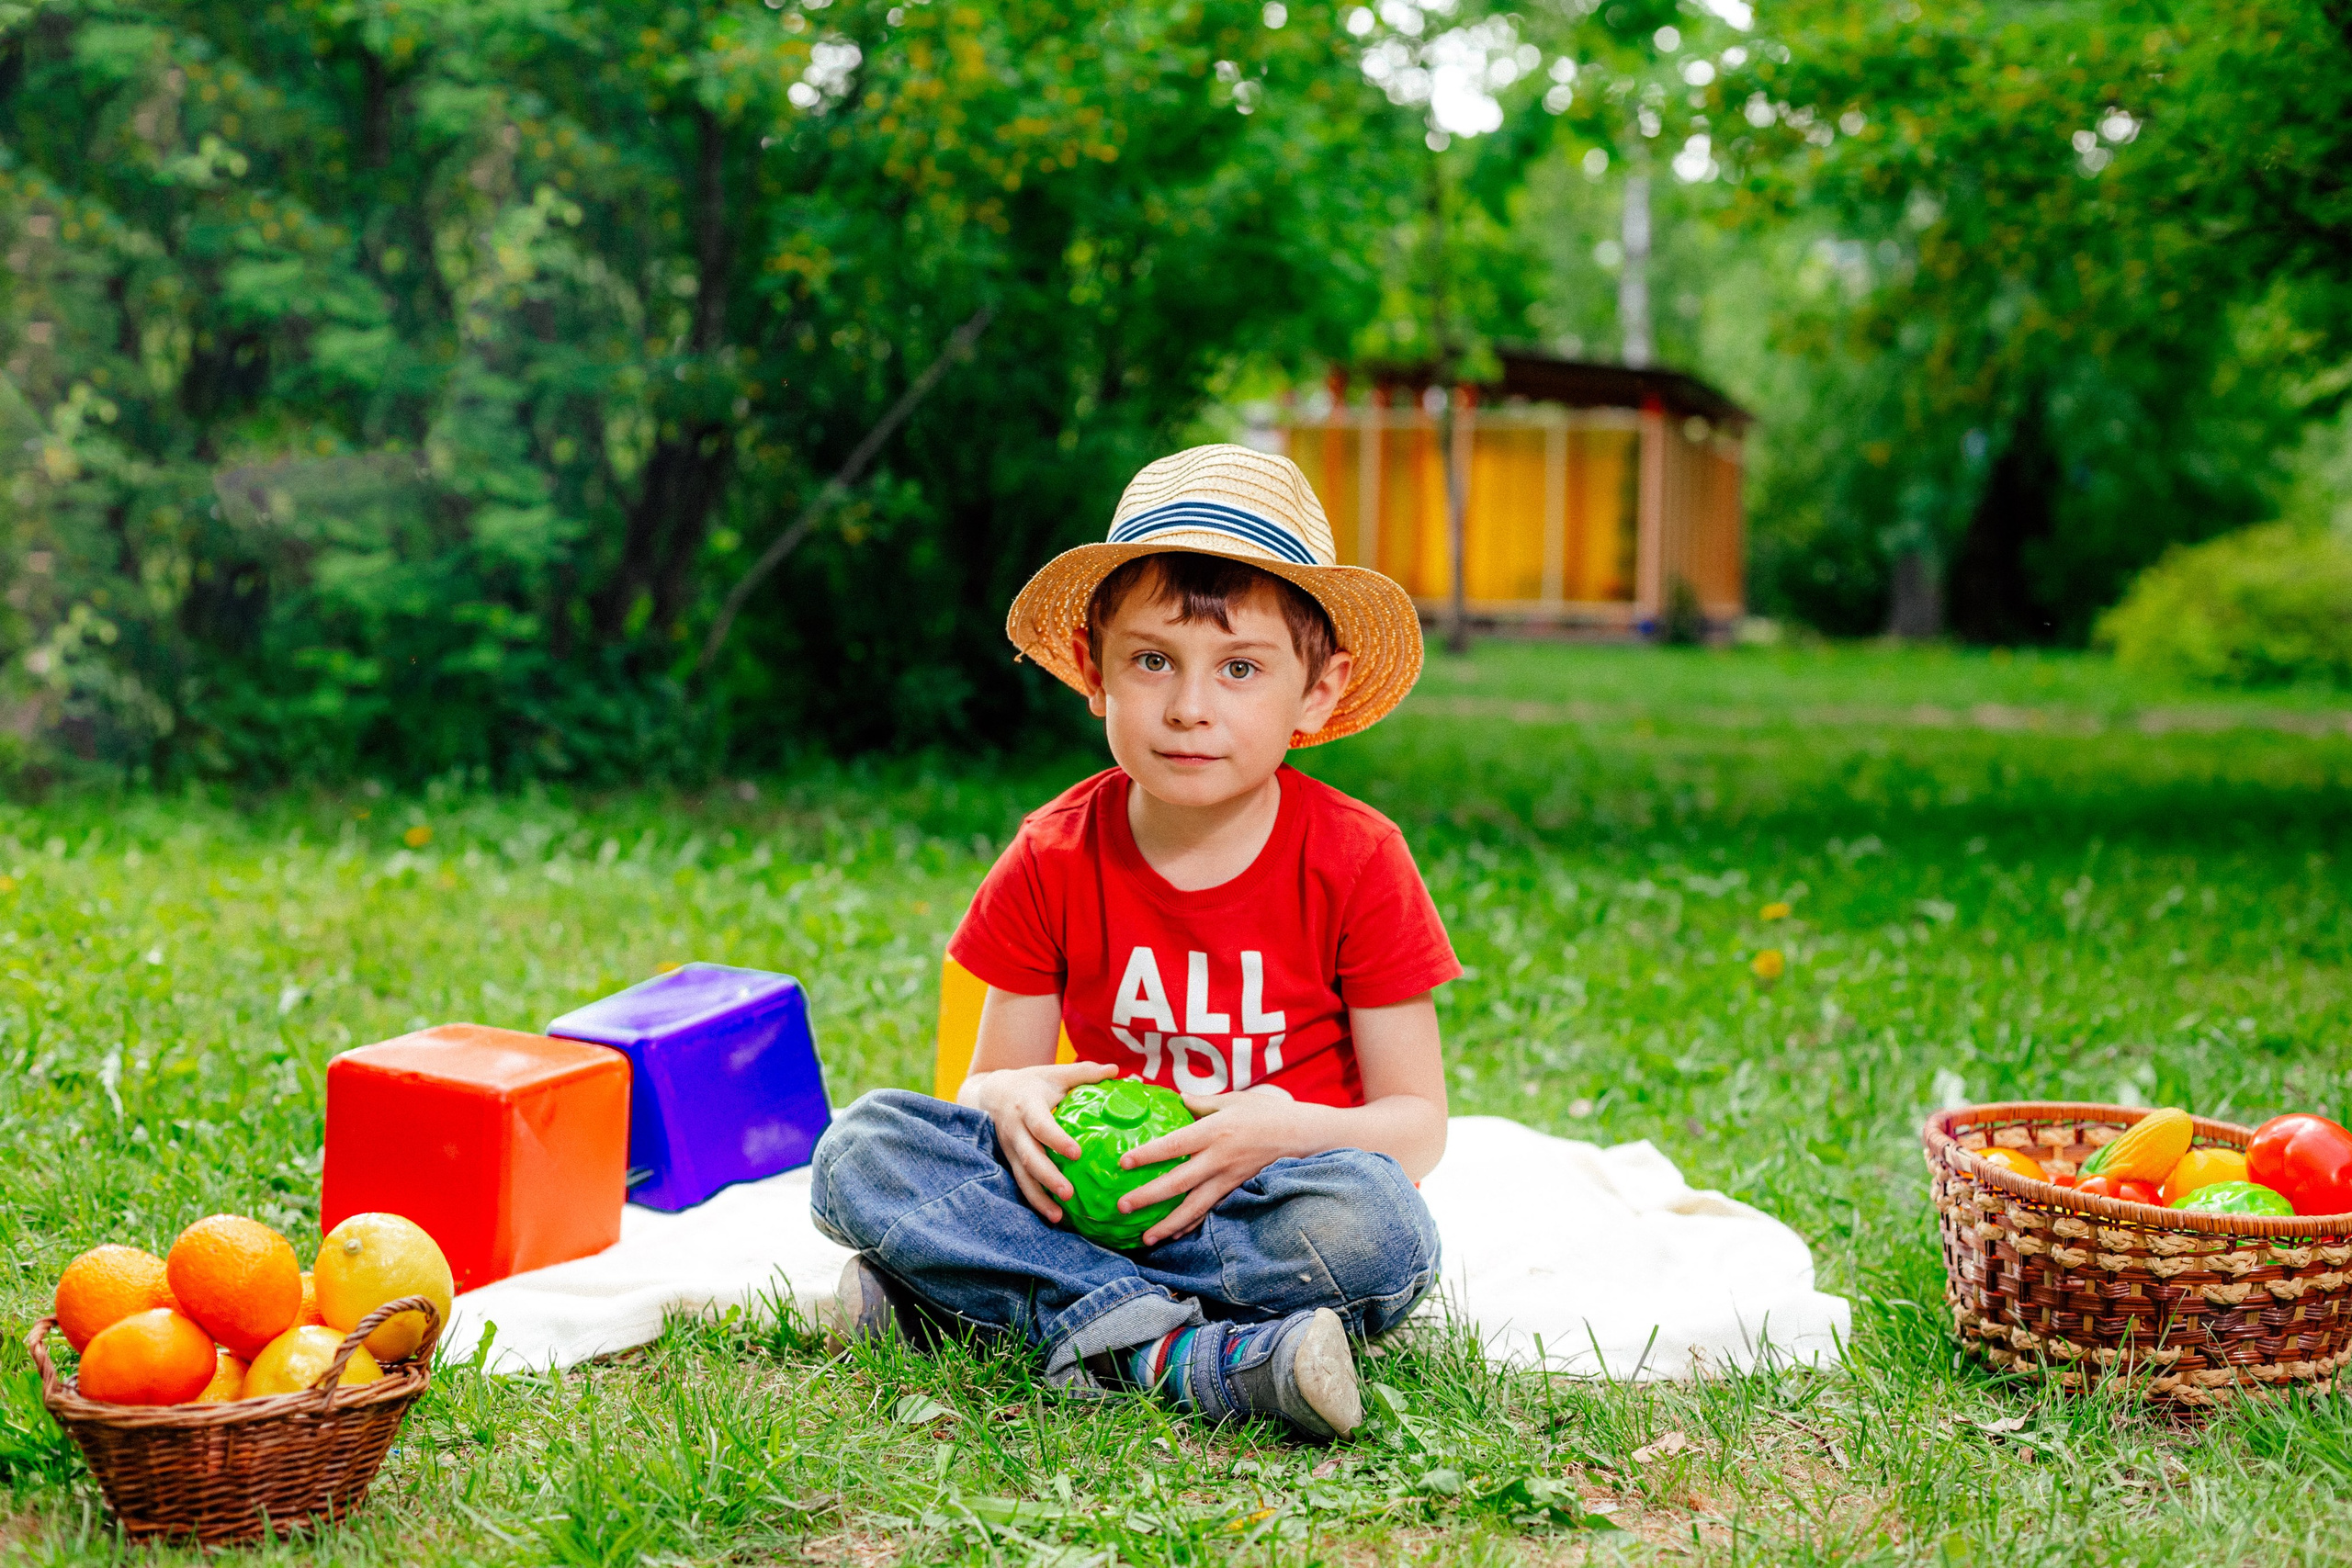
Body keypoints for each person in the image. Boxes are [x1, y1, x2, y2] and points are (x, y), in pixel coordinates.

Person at [808, 443, 1458, 1439]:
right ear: (1093, 671)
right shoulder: (1053, 854)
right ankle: (1194, 1359)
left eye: (1240, 668)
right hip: (1080, 1196)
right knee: (862, 1148)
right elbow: (987, 1092)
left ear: (1316, 693)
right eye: (1152, 660)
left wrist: (1284, 1129)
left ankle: (985, 1307)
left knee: (1378, 1227)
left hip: (1262, 1203)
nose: (1189, 706)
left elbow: (1416, 1126)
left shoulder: (1359, 860)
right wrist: (1010, 1099)